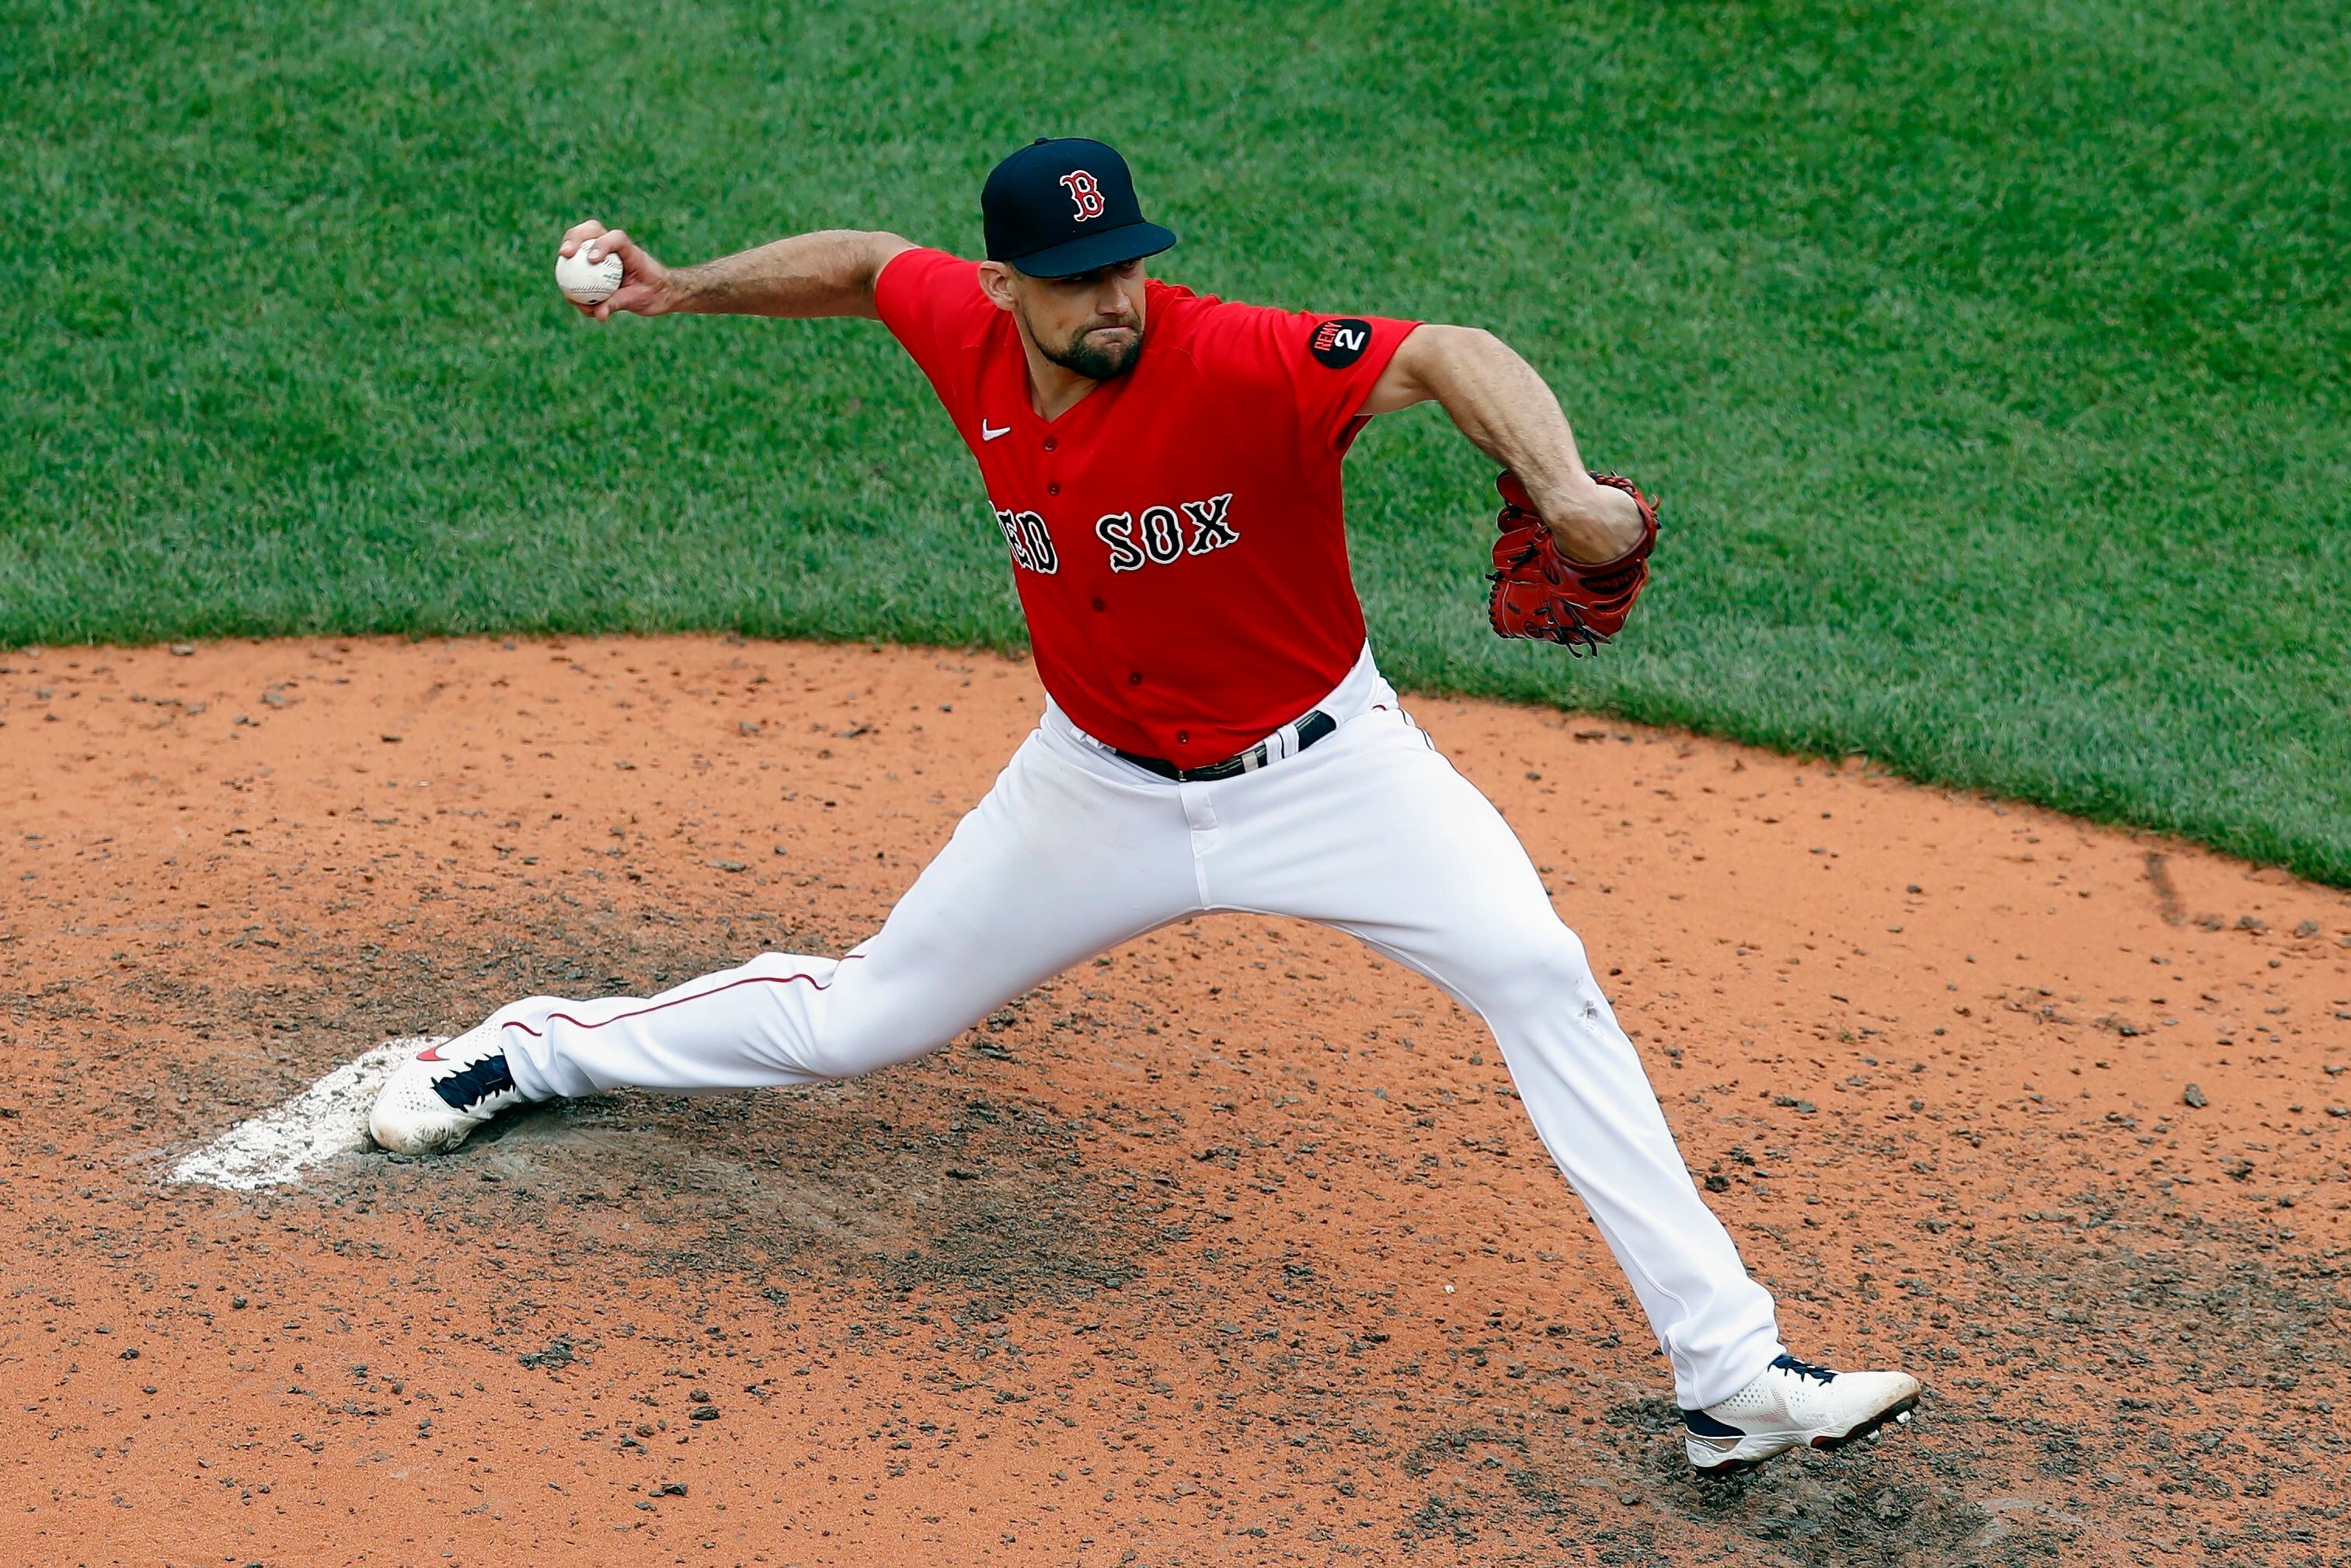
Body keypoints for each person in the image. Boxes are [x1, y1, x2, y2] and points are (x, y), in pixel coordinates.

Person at [368, 137, 1918, 1472]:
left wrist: (1567, 489)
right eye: (1075, 278)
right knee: (860, 1024)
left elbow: (1446, 351)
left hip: (1330, 774)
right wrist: (682, 283)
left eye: (1126, 265)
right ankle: (534, 1045)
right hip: (1094, 786)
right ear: (1005, 286)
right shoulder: (956, 323)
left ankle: (1732, 1376)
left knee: (1537, 971)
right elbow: (867, 263)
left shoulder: (1237, 354)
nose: (1114, 298)